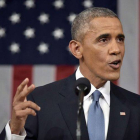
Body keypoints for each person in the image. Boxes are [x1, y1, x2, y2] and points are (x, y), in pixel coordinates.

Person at [1, 7, 140, 140]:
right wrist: (14, 131)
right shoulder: (40, 102)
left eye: (120, 39)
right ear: (77, 49)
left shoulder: (136, 107)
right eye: (104, 40)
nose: (116, 49)